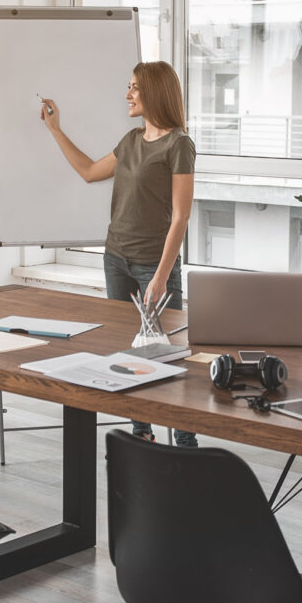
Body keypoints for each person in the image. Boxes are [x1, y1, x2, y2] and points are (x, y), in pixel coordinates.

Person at [39, 61, 198, 446]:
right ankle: (141, 432)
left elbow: (180, 218)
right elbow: (90, 171)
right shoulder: (130, 141)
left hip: (152, 266)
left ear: (154, 93)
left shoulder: (178, 145)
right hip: (116, 259)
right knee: (128, 351)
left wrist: (161, 276)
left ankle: (185, 438)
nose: (128, 95)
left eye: (134, 88)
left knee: (168, 353)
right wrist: (55, 131)